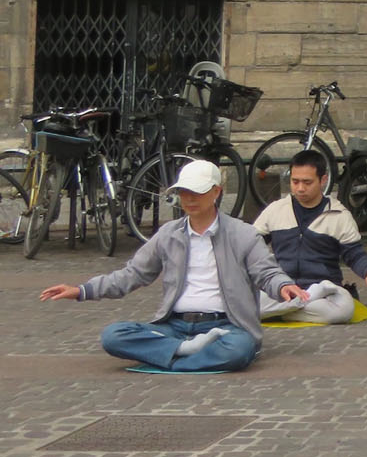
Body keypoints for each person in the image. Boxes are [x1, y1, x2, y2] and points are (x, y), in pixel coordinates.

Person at [40, 158, 306, 371]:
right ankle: (185, 352)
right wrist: (82, 290)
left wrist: (282, 286)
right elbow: (133, 274)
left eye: (197, 192)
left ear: (216, 192)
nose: (189, 199)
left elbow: (266, 271)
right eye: (183, 192)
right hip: (175, 326)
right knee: (113, 336)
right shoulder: (169, 234)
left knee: (239, 349)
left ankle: (169, 358)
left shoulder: (242, 233)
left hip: (225, 326)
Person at [255, 149, 367, 323]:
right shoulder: (275, 210)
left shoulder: (339, 215)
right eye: (295, 181)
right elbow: (251, 245)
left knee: (343, 309)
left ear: (323, 180)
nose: (300, 188)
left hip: (324, 292)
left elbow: (354, 253)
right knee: (241, 303)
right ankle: (294, 307)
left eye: (307, 182)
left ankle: (281, 310)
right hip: (283, 288)